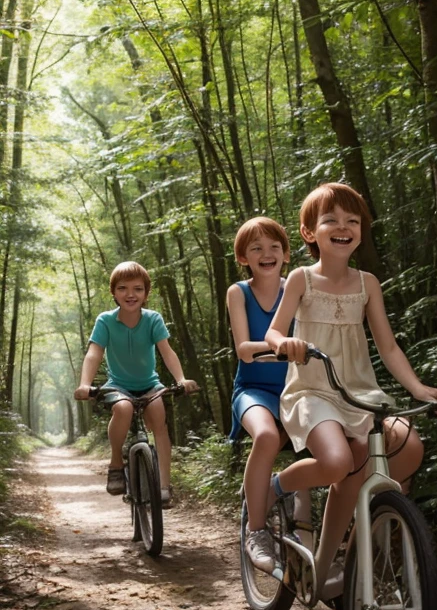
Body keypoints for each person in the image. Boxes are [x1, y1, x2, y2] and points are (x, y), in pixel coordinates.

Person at [265, 183, 437, 598]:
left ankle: (330, 564)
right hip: (312, 389)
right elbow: (274, 330)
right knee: (336, 462)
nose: (343, 226)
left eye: (353, 220)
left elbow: (387, 346)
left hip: (359, 392)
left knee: (408, 447)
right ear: (309, 232)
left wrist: (420, 389)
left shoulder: (368, 283)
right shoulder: (300, 279)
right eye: (331, 219)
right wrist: (285, 344)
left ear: (361, 231)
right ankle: (276, 487)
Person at [74, 261, 198, 508]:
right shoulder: (106, 321)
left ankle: (163, 485)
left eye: (137, 289)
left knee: (158, 419)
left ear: (146, 293)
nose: (130, 294)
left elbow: (167, 352)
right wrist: (85, 384)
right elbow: (94, 353)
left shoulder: (153, 320)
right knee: (123, 409)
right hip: (118, 386)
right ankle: (116, 464)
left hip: (149, 384)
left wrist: (181, 379)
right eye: (123, 288)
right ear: (114, 293)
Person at [227, 216, 308, 575]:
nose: (267, 253)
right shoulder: (238, 292)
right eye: (256, 248)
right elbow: (244, 349)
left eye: (274, 247)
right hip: (253, 390)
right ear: (244, 257)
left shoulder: (297, 287)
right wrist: (285, 346)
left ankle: (307, 535)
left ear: (286, 254)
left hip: (297, 389)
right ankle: (255, 530)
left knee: (320, 446)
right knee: (266, 435)